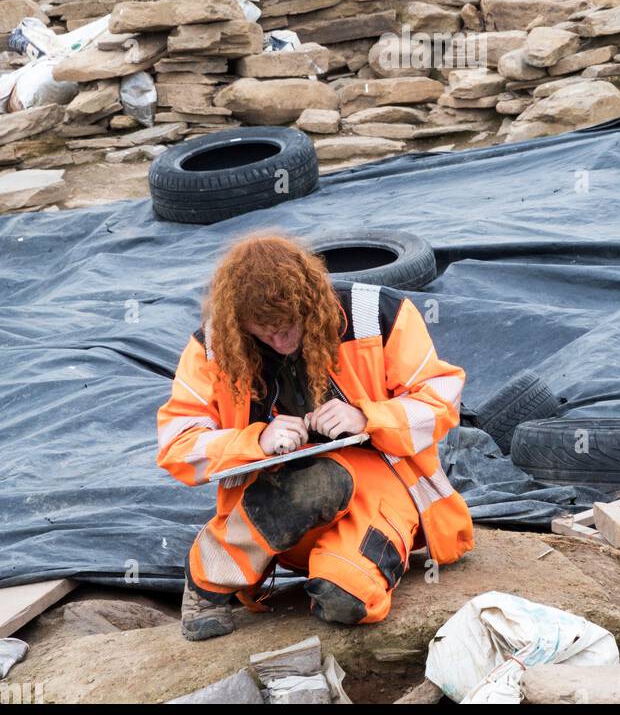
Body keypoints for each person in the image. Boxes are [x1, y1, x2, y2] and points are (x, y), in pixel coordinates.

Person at [157, 233, 473, 639]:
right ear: (240, 322)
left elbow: (443, 400)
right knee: (317, 482)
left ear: (311, 302)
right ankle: (207, 583)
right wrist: (256, 441)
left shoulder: (376, 314)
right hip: (275, 519)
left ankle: (332, 576)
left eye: (288, 326)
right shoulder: (215, 346)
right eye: (265, 332)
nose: (280, 341)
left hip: (380, 494)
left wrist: (368, 417)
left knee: (347, 601)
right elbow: (176, 445)